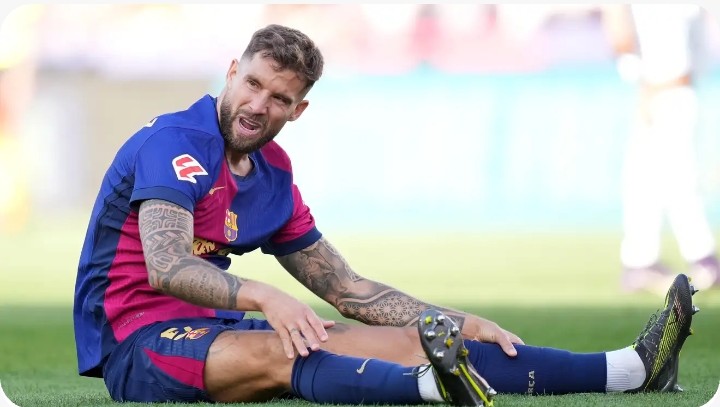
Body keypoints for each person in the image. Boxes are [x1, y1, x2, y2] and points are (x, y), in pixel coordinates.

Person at [73, 24, 700, 405]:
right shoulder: (177, 141)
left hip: (216, 327)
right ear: (232, 73)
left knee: (421, 341)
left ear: (298, 110)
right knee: (285, 356)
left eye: (280, 98)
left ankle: (630, 370)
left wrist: (455, 321)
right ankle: (437, 389)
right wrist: (267, 295)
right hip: (137, 344)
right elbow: (166, 264)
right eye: (253, 84)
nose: (258, 105)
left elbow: (347, 289)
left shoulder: (273, 175)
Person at [602, 4, 720, 293]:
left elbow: (619, 29)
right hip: (664, 90)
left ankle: (701, 259)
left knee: (675, 177)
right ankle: (643, 261)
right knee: (644, 177)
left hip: (668, 91)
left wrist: (645, 84)